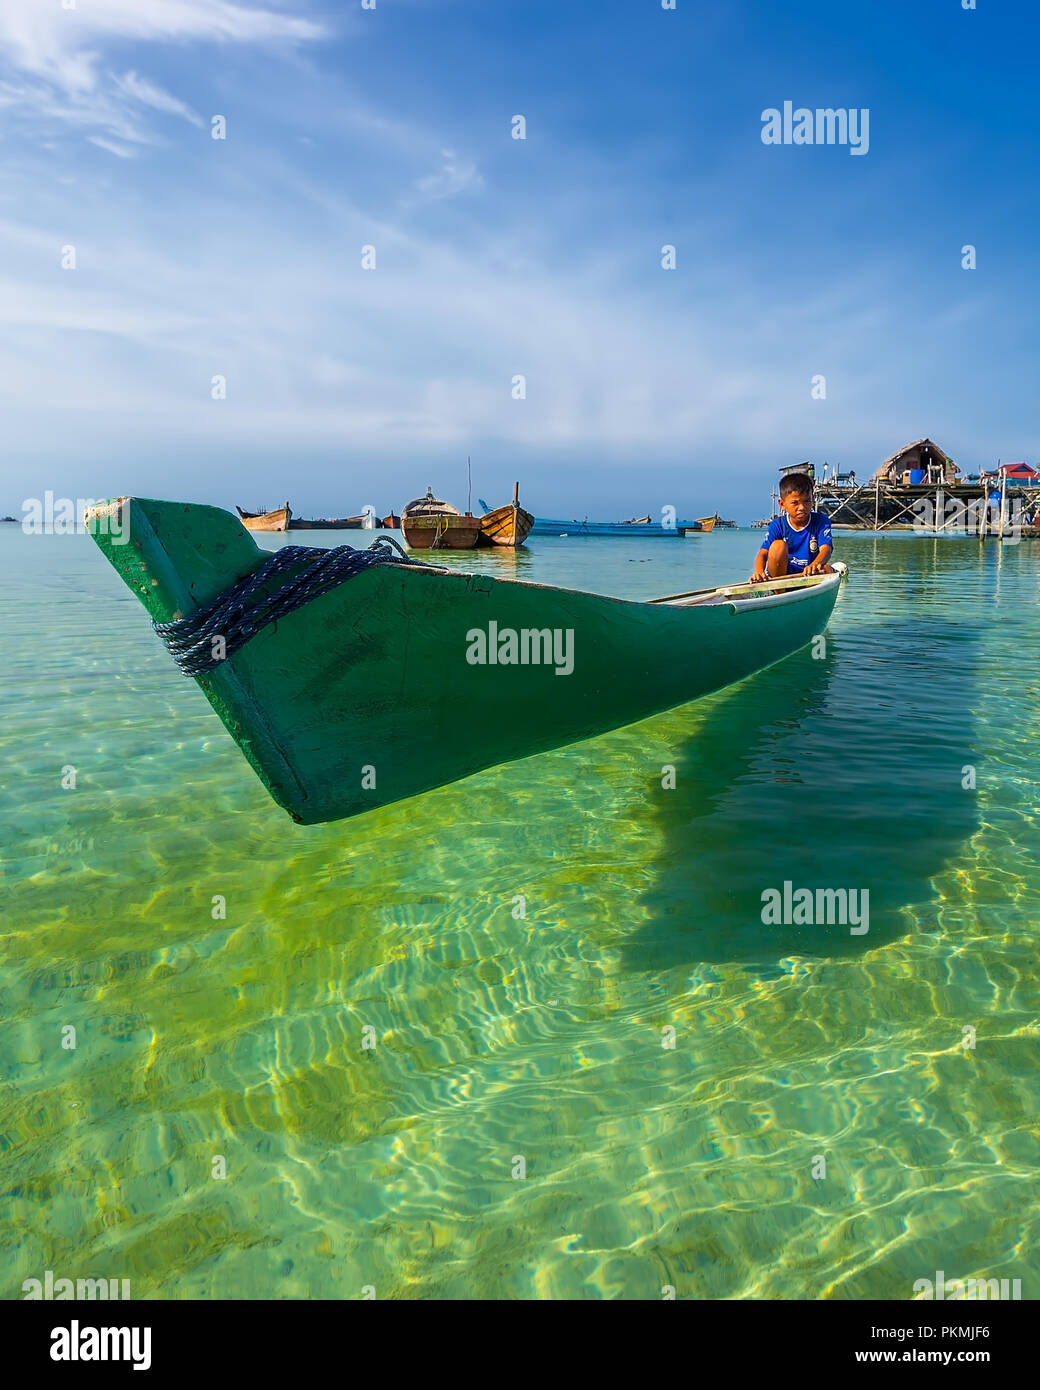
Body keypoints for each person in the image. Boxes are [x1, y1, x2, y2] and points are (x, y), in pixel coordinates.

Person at [750, 473, 834, 582]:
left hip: (808, 574)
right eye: (795, 503)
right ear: (782, 504)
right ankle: (779, 593)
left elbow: (826, 550)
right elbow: (763, 553)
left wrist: (814, 565)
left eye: (807, 501)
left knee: (827, 569)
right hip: (781, 577)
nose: (802, 508)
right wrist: (759, 573)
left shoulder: (821, 522)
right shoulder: (778, 525)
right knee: (777, 546)